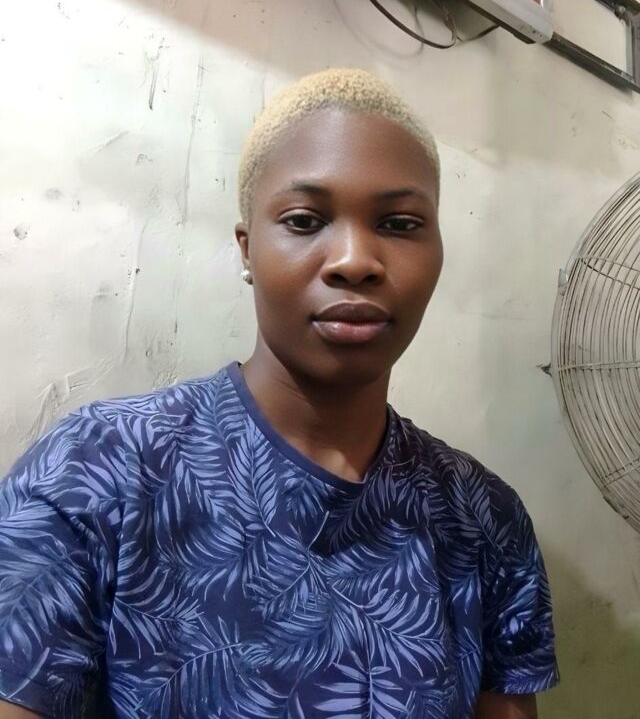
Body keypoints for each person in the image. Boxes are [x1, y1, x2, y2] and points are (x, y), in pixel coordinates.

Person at [0, 69, 558, 718]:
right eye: (304, 220)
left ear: (437, 250)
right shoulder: (97, 472)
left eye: (399, 223)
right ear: (247, 250)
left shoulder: (484, 518)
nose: (355, 260)